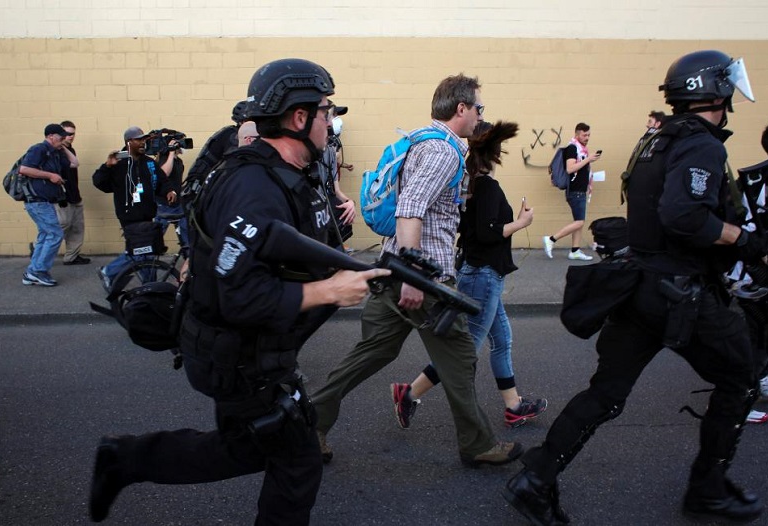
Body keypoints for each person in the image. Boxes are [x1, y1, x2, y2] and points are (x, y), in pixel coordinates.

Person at [88, 58, 388, 525]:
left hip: (258, 350)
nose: (332, 121)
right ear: (299, 117)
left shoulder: (294, 174)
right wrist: (328, 292)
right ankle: (126, 459)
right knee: (295, 459)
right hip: (239, 356)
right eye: (326, 111)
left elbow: (308, 250)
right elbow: (240, 296)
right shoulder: (254, 186)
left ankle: (126, 459)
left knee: (255, 448)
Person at [503, 50, 764, 525]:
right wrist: (744, 239)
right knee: (740, 379)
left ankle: (535, 479)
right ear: (718, 91)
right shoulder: (702, 144)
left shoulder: (656, 140)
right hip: (681, 293)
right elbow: (684, 216)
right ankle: (707, 489)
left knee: (606, 392)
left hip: (640, 288)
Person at [311, 74, 523, 468]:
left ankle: (311, 425)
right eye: (478, 108)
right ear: (461, 108)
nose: (480, 116)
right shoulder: (441, 151)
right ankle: (477, 445)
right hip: (423, 279)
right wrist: (414, 278)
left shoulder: (423, 141)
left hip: (398, 269)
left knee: (372, 352)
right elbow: (410, 208)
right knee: (459, 358)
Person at [395, 120, 547, 429]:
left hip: (479, 271)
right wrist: (522, 222)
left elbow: (469, 229)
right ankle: (408, 394)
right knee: (465, 349)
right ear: (495, 151)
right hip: (483, 275)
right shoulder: (487, 185)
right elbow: (489, 232)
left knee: (502, 341)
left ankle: (514, 405)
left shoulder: (467, 183)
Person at [726, 117, 768, 425]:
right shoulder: (758, 181)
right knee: (751, 335)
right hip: (753, 271)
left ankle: (759, 378)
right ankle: (736, 398)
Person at [92, 126, 177, 290]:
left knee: (147, 251)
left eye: (144, 139)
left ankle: (149, 285)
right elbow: (99, 183)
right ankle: (110, 271)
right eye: (139, 139)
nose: (143, 143)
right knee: (140, 251)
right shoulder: (118, 162)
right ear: (129, 142)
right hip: (129, 216)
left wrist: (169, 191)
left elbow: (162, 182)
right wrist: (107, 166)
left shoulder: (149, 163)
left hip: (147, 214)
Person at [18, 123, 78, 286]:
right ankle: (38, 271)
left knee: (45, 235)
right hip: (37, 201)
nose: (63, 139)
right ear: (50, 136)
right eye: (60, 137)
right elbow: (24, 169)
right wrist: (50, 176)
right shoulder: (39, 149)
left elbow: (74, 163)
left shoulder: (56, 153)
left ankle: (33, 272)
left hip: (45, 202)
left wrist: (63, 147)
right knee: (55, 234)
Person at [543, 123, 601, 261]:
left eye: (588, 135)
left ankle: (575, 251)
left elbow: (583, 170)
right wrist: (588, 159)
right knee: (580, 222)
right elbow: (570, 169)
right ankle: (551, 239)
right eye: (584, 135)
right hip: (574, 191)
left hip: (580, 190)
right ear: (577, 134)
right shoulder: (572, 148)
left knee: (578, 221)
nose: (587, 138)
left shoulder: (582, 149)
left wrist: (589, 183)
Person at [314, 101, 355, 250]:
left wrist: (350, 203)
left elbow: (336, 190)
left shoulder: (330, 152)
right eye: (328, 117)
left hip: (328, 222)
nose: (331, 123)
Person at [57, 120, 91, 265]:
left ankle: (72, 256)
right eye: (67, 134)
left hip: (74, 194)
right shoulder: (55, 152)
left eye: (72, 134)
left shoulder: (70, 150)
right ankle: (39, 247)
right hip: (61, 197)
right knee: (61, 226)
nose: (70, 137)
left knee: (77, 227)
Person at [154, 132, 190, 249]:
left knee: (187, 241)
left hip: (177, 205)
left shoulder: (178, 161)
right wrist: (171, 152)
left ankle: (188, 260)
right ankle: (145, 262)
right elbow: (164, 174)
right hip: (163, 206)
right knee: (155, 239)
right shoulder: (164, 159)